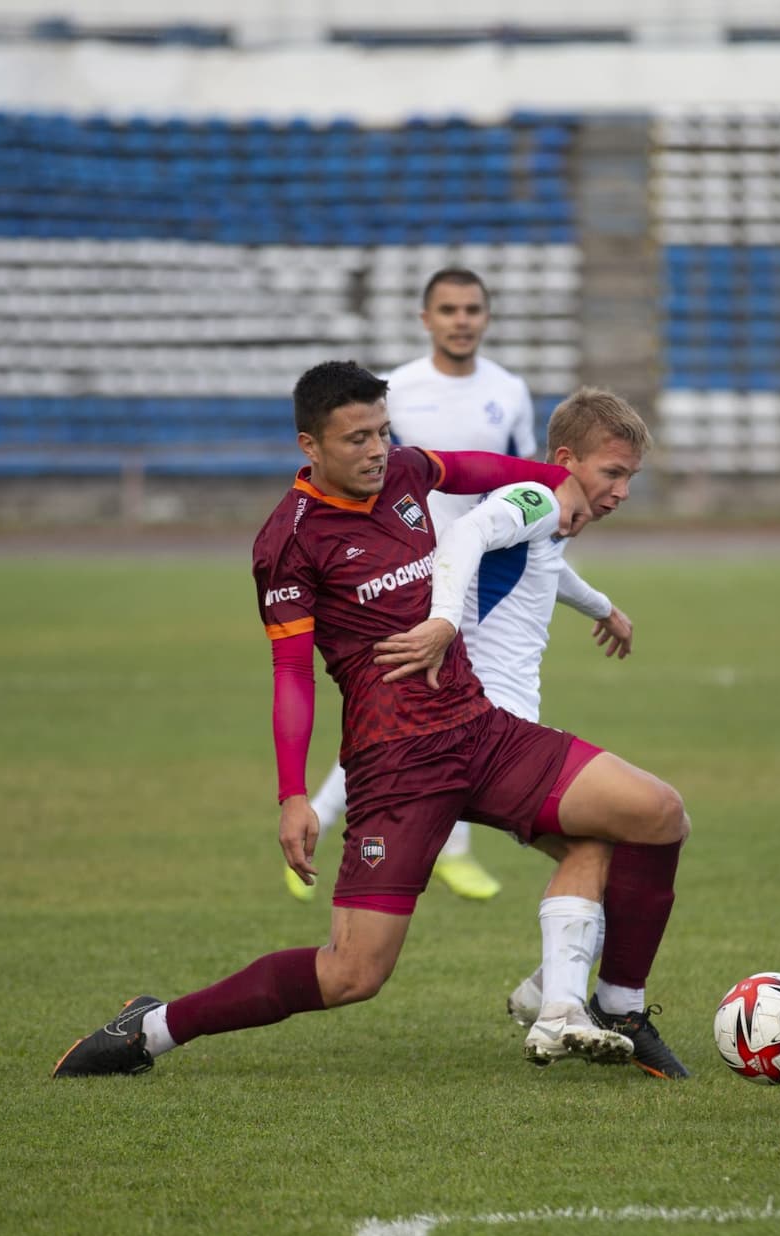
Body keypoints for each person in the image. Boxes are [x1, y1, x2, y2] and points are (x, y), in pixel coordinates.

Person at [53, 361, 690, 1077]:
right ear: (310, 446)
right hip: (397, 764)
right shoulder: (288, 542)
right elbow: (291, 674)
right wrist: (293, 793)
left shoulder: (404, 475)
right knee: (353, 974)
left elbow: (473, 468)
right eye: (356, 438)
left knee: (651, 814)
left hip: (481, 731)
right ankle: (156, 1027)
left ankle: (616, 1007)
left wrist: (552, 482)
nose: (377, 451)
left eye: (383, 432)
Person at [380, 386, 688, 1079]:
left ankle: (555, 1001)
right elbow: (469, 534)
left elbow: (543, 566)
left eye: (630, 478)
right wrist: (444, 622)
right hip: (489, 737)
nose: (622, 491)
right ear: (564, 459)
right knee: (656, 816)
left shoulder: (549, 514)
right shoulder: (537, 495)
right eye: (612, 473)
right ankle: (593, 1007)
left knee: (597, 848)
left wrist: (604, 607)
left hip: (477, 738)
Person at [295, 267, 537, 903]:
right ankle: (325, 819)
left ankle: (450, 848)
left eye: (472, 309)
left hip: (488, 576)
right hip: (404, 579)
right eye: (449, 309)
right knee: (400, 715)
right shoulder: (396, 391)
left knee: (465, 716)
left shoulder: (509, 391)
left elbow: (517, 478)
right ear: (425, 318)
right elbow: (367, 480)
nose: (462, 320)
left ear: (487, 317)